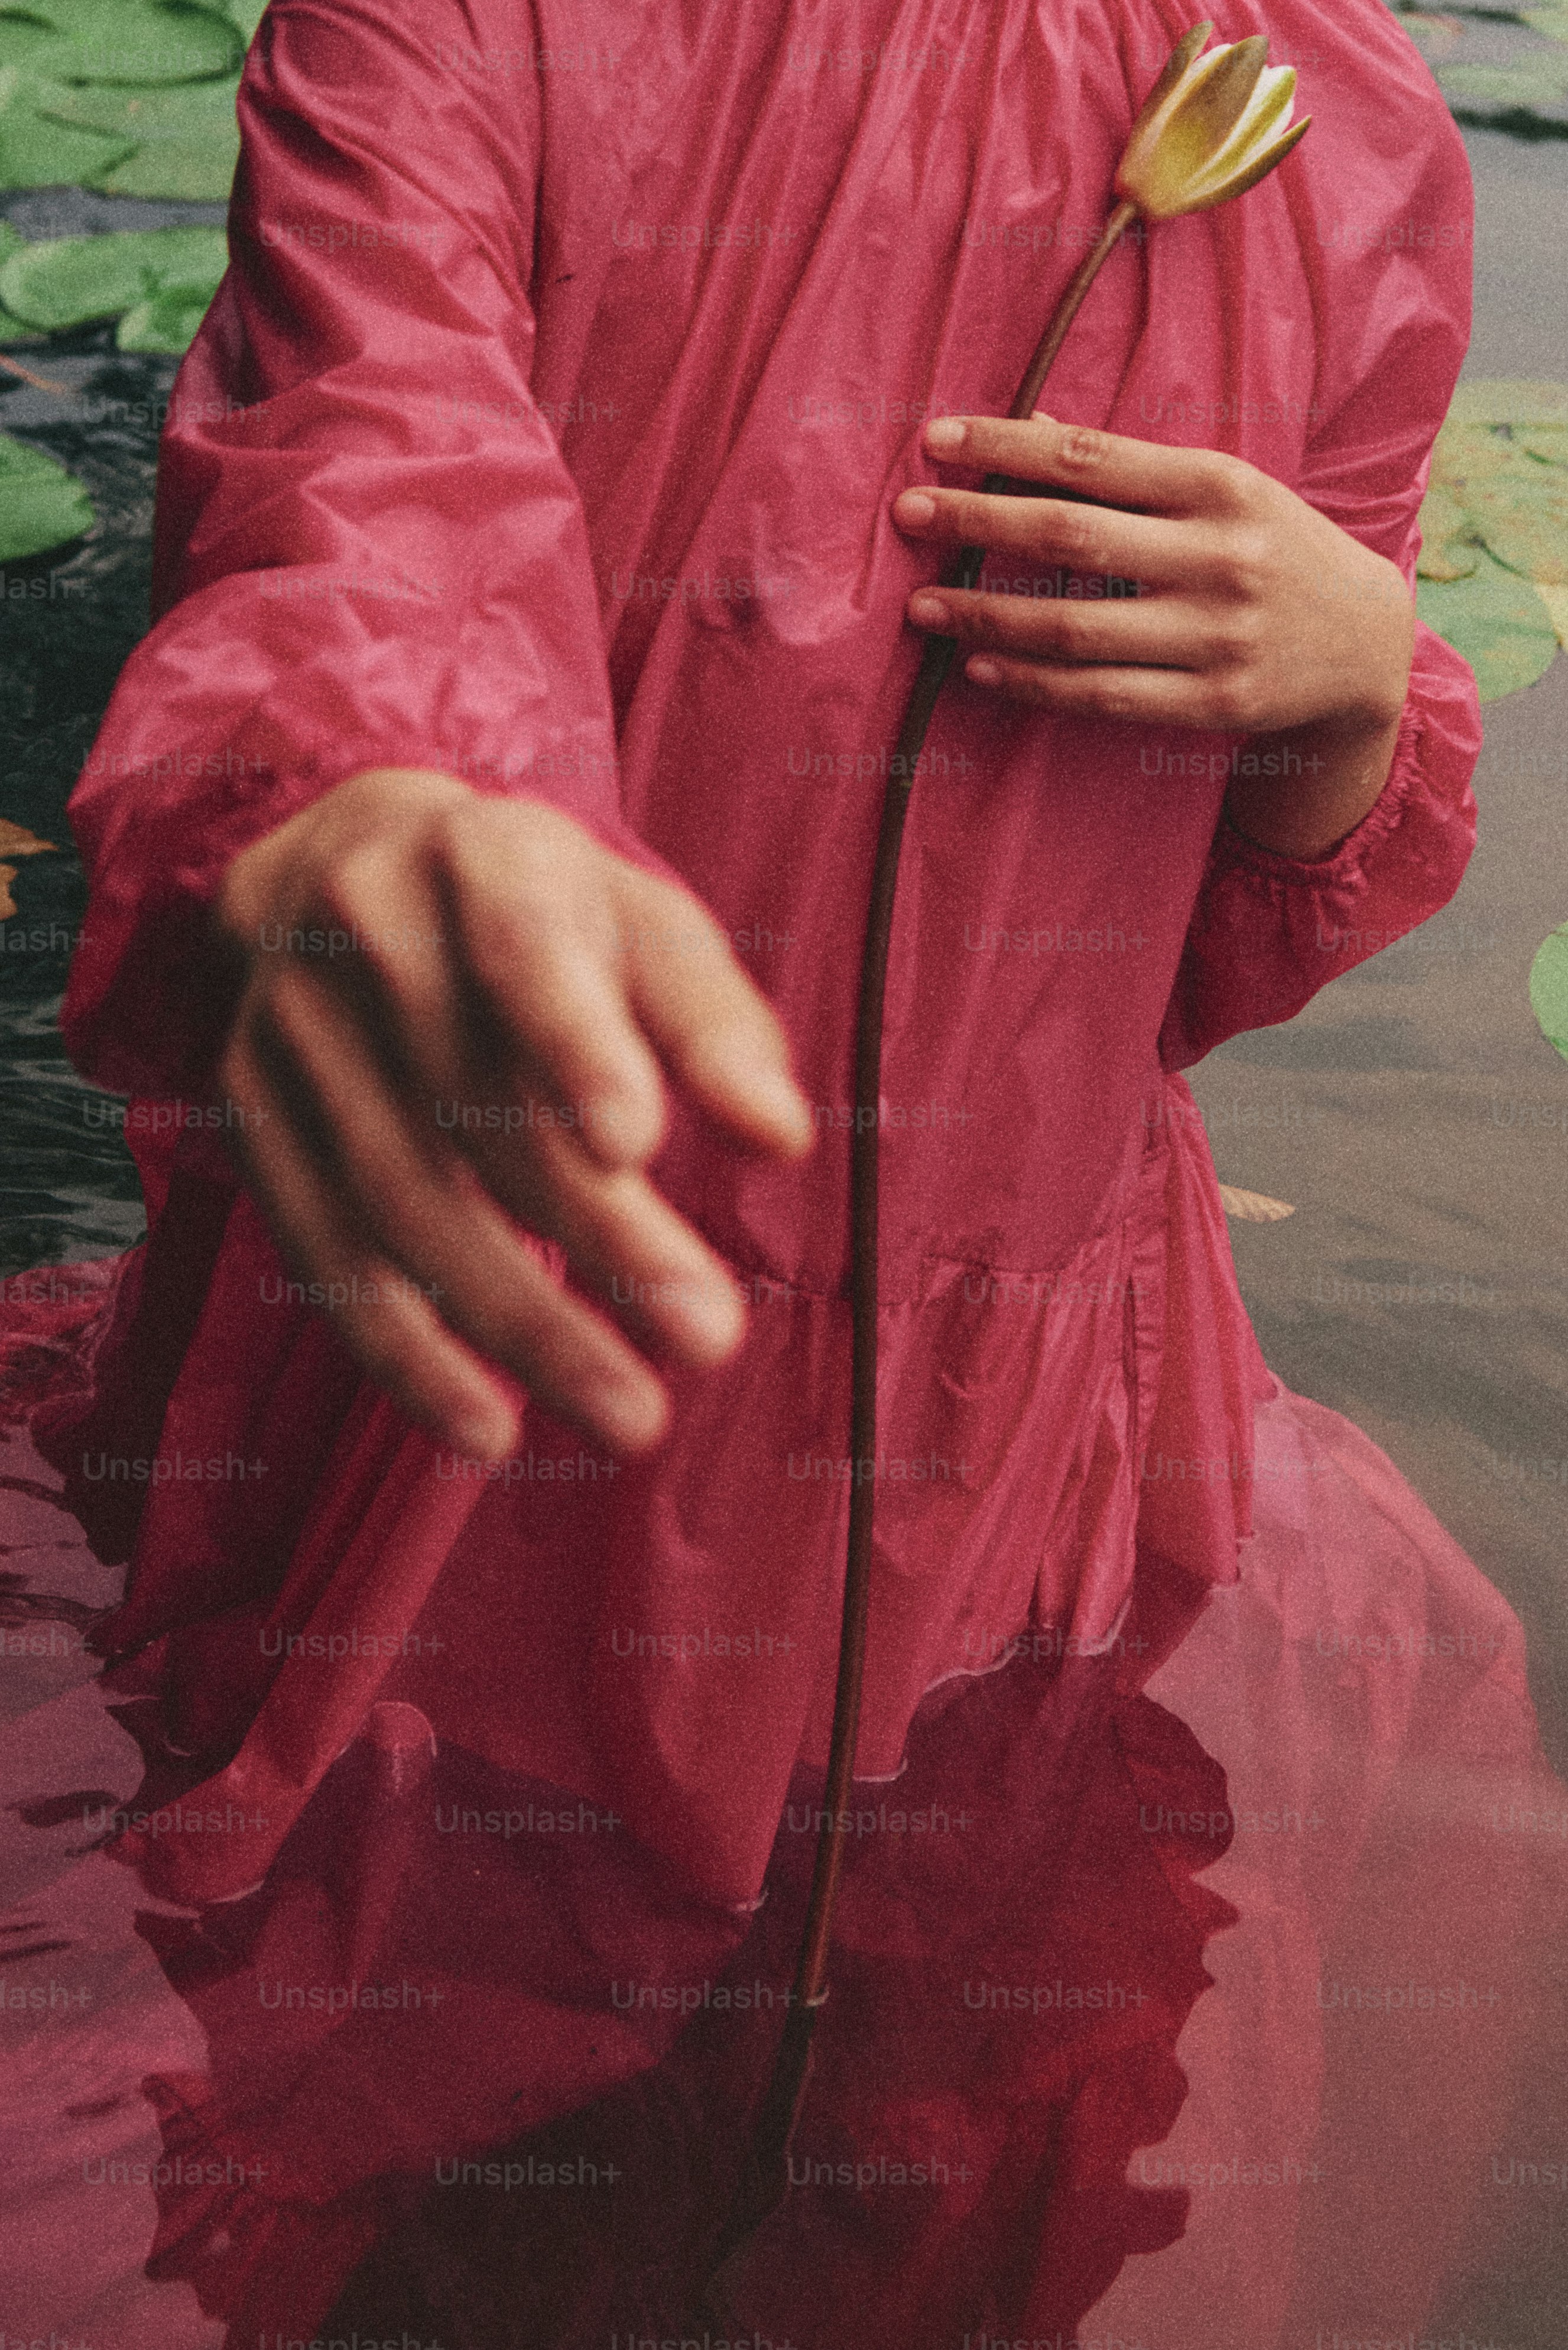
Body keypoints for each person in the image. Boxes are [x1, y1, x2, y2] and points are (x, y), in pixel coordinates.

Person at [4, 1, 1564, 2345]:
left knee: (942, 2160)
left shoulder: (1337, 122)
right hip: (477, 1437)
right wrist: (373, 798)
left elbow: (1171, 968)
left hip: (1016, 1459)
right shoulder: (466, 29)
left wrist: (1352, 697)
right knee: (246, 2107)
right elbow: (369, 485)